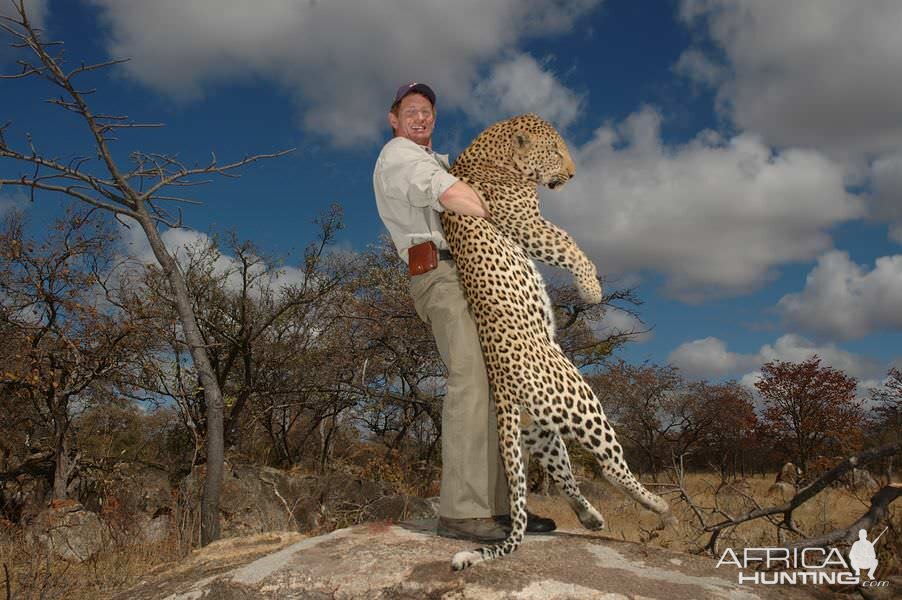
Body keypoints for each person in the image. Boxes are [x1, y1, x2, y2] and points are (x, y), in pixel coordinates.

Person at [373, 82, 556, 542]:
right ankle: (462, 510)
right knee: (472, 375)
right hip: (442, 274)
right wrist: (503, 214)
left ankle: (502, 508)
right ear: (393, 120)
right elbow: (456, 198)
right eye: (410, 110)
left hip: (475, 273)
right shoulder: (399, 155)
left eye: (427, 111)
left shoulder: (439, 160)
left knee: (505, 380)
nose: (420, 117)